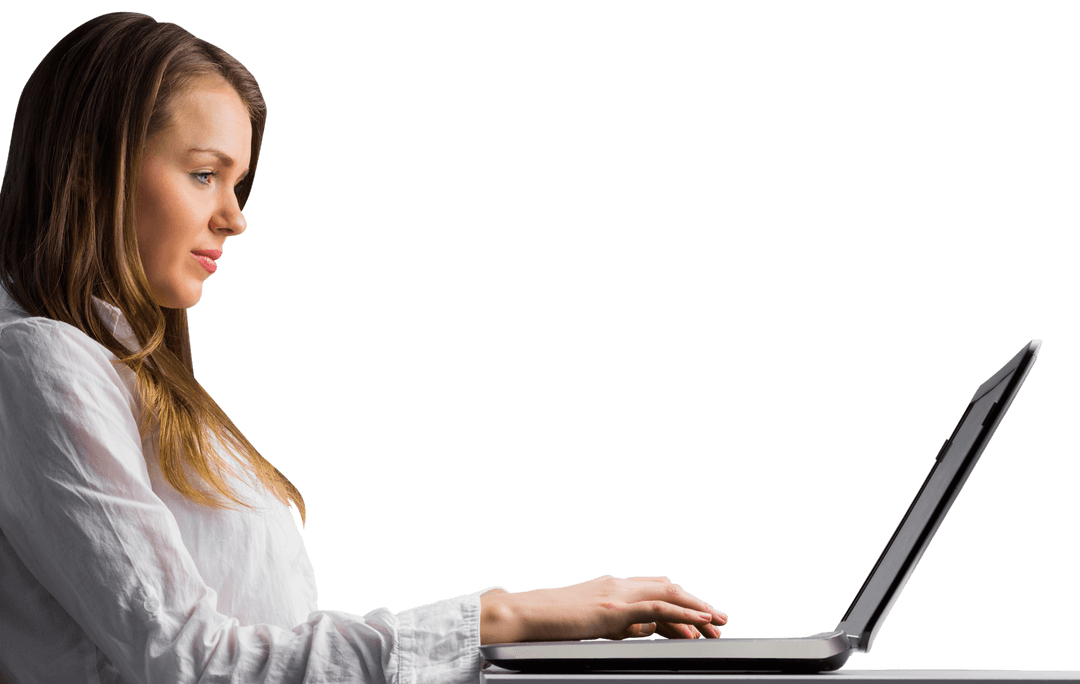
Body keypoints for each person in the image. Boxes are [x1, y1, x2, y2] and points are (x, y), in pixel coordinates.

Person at [0, 11, 727, 683]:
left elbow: (261, 642)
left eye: (239, 183)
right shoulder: (38, 361)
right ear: (91, 171)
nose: (234, 218)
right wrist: (503, 618)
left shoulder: (115, 368)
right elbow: (188, 658)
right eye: (203, 174)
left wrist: (515, 633)